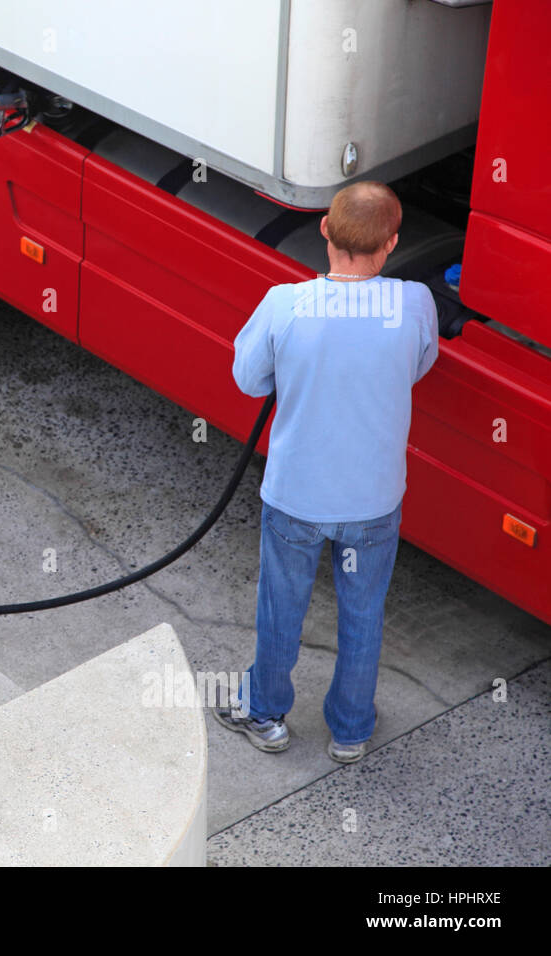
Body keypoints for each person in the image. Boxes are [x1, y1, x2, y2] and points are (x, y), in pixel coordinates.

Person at [214, 181, 439, 764]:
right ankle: (350, 730)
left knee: (281, 607)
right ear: (390, 243)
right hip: (373, 502)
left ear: (324, 231)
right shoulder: (415, 303)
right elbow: (420, 363)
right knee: (363, 611)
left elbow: (247, 379)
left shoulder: (284, 305)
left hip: (296, 498)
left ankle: (263, 715)